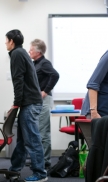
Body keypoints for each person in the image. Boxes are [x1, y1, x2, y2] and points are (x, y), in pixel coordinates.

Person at [5, 29, 47, 182]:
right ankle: (14, 169)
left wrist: (16, 104)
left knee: (32, 140)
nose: (5, 43)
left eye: (6, 40)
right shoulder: (21, 53)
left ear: (11, 41)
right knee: (23, 140)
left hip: (30, 103)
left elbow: (18, 81)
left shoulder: (17, 54)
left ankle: (41, 174)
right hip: (30, 102)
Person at [29, 39, 59, 170]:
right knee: (38, 131)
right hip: (36, 101)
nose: (29, 51)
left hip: (44, 101)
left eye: (31, 50)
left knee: (43, 131)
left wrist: (45, 91)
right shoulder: (36, 63)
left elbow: (55, 75)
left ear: (38, 52)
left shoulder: (44, 63)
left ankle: (45, 160)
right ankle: (39, 159)